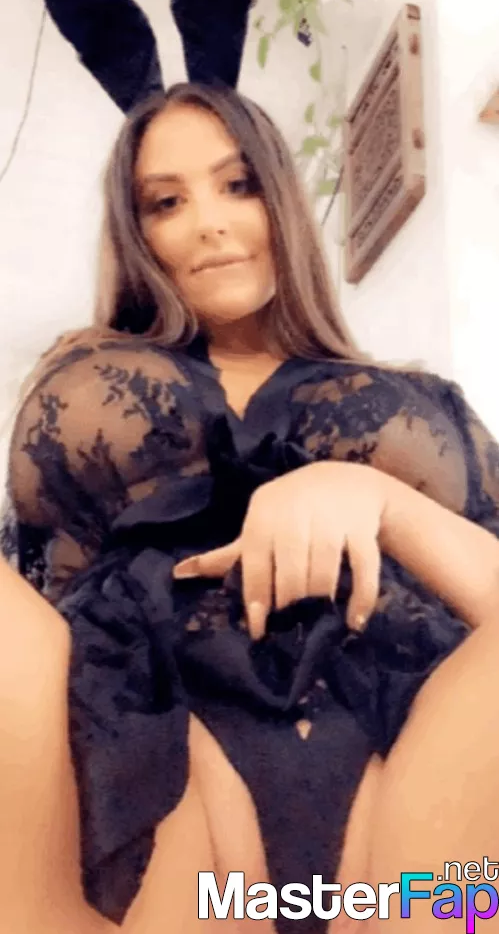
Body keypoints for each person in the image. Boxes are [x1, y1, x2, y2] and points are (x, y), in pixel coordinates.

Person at [2, 79, 499, 934]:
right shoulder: (85, 368)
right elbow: (45, 587)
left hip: (413, 771)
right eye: (165, 202)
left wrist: (374, 496)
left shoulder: (422, 398)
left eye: (237, 185)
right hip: (150, 756)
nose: (208, 223)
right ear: (136, 233)